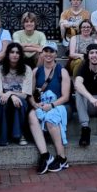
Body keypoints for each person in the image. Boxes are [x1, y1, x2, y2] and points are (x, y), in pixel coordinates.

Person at [28, 45, 71, 174]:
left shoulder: (62, 71)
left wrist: (51, 106)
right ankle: (45, 155)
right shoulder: (36, 71)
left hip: (60, 105)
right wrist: (35, 104)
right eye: (45, 51)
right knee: (31, 115)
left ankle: (62, 157)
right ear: (41, 53)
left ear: (56, 54)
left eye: (51, 51)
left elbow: (66, 96)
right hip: (42, 104)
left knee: (51, 119)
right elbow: (29, 93)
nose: (48, 54)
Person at [0, 42, 33, 146]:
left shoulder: (27, 69)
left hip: (20, 99)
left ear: (21, 55)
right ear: (7, 54)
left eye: (17, 52)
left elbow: (25, 95)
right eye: (12, 52)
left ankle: (19, 135)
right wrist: (10, 96)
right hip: (3, 98)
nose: (15, 54)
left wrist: (11, 93)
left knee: (19, 102)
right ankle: (3, 138)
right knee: (2, 102)